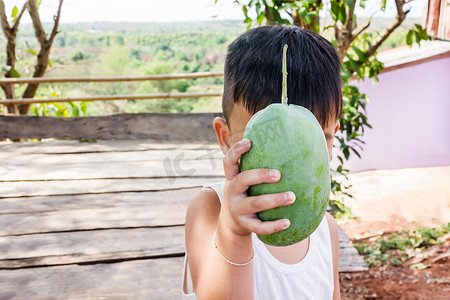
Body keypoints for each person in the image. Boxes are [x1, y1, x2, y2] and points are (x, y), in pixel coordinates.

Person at [182, 25, 342, 300]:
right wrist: (233, 231)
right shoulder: (210, 209)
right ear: (225, 138)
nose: (286, 165)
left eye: (314, 140)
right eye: (267, 143)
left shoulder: (326, 230)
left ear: (330, 138)